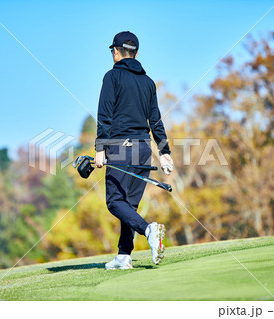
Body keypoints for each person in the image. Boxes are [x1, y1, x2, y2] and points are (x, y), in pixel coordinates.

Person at [94, 31, 174, 269]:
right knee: (128, 205)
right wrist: (164, 151)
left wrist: (101, 148)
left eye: (112, 51)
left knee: (115, 202)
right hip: (143, 148)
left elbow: (104, 116)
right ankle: (124, 255)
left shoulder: (112, 77)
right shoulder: (148, 82)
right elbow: (155, 121)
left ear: (116, 52)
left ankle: (149, 230)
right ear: (136, 54)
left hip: (120, 147)